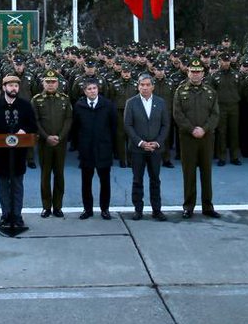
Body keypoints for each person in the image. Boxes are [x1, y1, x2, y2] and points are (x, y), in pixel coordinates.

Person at [0, 74, 37, 234]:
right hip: (1, 153)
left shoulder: (25, 105)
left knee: (17, 185)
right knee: (3, 186)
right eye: (10, 85)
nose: (13, 88)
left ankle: (17, 215)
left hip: (19, 152)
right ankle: (5, 214)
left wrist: (25, 130)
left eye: (16, 86)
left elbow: (32, 125)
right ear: (4, 87)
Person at [173, 61, 221, 218]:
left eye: (198, 71)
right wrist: (192, 129)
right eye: (192, 71)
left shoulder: (210, 91)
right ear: (188, 73)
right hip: (188, 138)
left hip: (206, 138)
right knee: (189, 173)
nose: (195, 74)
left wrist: (204, 129)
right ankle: (188, 206)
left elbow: (215, 114)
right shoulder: (180, 91)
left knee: (206, 172)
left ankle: (208, 206)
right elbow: (177, 114)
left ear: (203, 74)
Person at [123, 73, 170, 221]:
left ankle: (157, 210)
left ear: (153, 87)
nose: (144, 88)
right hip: (138, 149)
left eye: (147, 85)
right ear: (138, 86)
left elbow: (165, 125)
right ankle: (138, 210)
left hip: (155, 149)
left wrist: (157, 142)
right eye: (142, 85)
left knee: (155, 179)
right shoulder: (131, 102)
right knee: (137, 180)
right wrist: (141, 143)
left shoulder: (161, 102)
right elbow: (128, 125)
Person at [72, 78, 115, 219]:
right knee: (86, 182)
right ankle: (88, 209)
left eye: (94, 88)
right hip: (86, 150)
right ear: (84, 91)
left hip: (104, 149)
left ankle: (105, 209)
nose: (92, 91)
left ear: (98, 89)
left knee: (105, 182)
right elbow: (76, 128)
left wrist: (111, 146)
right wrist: (79, 147)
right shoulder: (79, 106)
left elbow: (114, 127)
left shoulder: (107, 105)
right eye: (89, 89)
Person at [32, 69, 73, 218]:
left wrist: (60, 137)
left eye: (53, 82)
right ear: (43, 83)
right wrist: (46, 137)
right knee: (45, 175)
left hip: (60, 143)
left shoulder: (64, 99)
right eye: (47, 82)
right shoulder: (36, 100)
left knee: (59, 174)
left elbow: (69, 119)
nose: (50, 84)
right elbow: (35, 121)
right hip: (44, 143)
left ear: (58, 83)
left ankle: (58, 206)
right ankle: (46, 206)